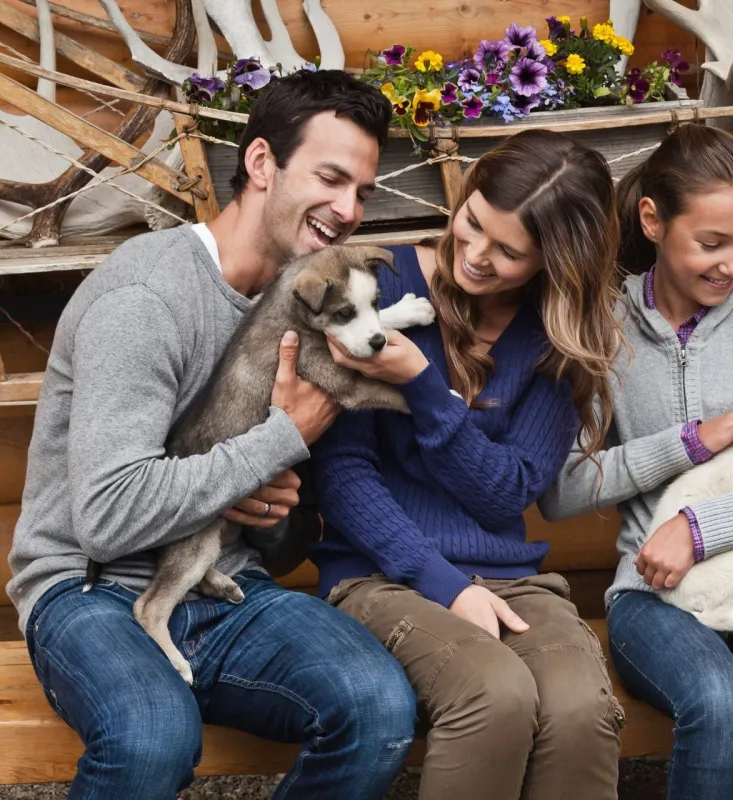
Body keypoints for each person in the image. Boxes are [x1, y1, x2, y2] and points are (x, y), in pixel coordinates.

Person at [7, 69, 419, 799]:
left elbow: (279, 531)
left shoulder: (315, 307)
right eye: (330, 177)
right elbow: (106, 519)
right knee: (152, 736)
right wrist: (276, 441)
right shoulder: (148, 297)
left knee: (378, 706)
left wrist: (270, 509)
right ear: (260, 163)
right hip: (91, 588)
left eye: (362, 190)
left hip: (229, 588)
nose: (348, 209)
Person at [310, 128, 627, 800]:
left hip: (510, 579)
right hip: (381, 572)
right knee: (495, 695)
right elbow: (340, 476)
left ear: (553, 261)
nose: (476, 255)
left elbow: (506, 493)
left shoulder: (555, 337)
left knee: (580, 712)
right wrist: (445, 584)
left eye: (509, 251)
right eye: (472, 223)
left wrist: (424, 387)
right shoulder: (380, 282)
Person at [539, 123, 733, 800]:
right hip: (651, 590)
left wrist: (707, 528)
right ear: (652, 219)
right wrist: (685, 444)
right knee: (718, 704)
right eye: (710, 243)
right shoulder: (603, 329)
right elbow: (563, 489)